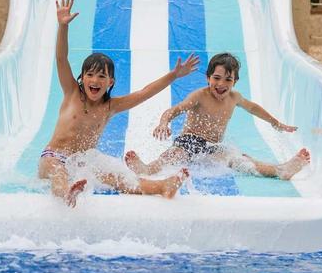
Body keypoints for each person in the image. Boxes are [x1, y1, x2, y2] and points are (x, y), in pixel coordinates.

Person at [39, 0, 198, 207]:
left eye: (102, 77)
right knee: (58, 172)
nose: (95, 81)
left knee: (119, 177)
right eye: (91, 75)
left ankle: (162, 186)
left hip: (83, 161)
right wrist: (63, 27)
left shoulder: (110, 107)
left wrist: (174, 75)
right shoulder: (72, 93)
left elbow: (145, 92)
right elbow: (61, 58)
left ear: (110, 82)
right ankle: (67, 191)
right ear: (82, 78)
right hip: (54, 157)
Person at [124, 52, 311, 180]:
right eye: (216, 78)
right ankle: (147, 169)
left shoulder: (234, 97)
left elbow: (253, 108)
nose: (221, 84)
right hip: (189, 142)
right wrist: (164, 123)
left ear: (235, 82)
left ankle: (281, 170)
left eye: (228, 80)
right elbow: (175, 109)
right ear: (208, 78)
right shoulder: (200, 95)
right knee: (174, 155)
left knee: (238, 160)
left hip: (213, 147)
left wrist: (276, 123)